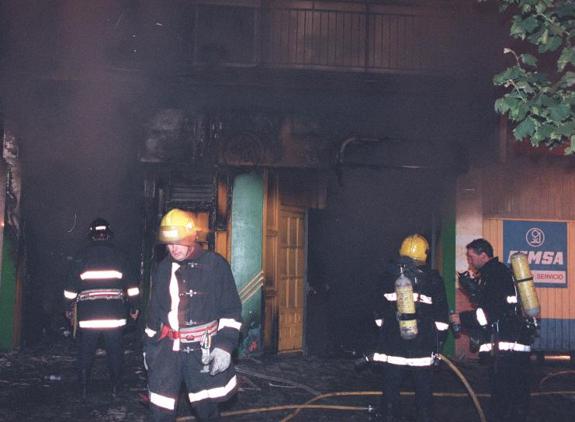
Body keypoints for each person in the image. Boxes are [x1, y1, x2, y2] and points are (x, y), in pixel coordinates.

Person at [143, 208, 242, 422]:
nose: (174, 248)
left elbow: (231, 310)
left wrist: (224, 347)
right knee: (159, 411)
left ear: (191, 238)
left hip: (202, 352)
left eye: (179, 242)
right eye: (169, 243)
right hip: (167, 352)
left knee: (207, 410)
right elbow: (154, 312)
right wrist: (149, 349)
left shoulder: (215, 266)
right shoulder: (162, 268)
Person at [452, 238, 533, 422]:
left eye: (471, 257)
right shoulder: (496, 274)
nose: (469, 261)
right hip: (511, 347)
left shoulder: (494, 275)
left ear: (484, 255)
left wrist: (462, 318)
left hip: (506, 350)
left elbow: (490, 314)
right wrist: (476, 292)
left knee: (503, 401)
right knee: (514, 398)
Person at [373, 234, 449, 422]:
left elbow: (378, 314)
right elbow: (441, 319)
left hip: (393, 346)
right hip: (422, 347)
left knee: (390, 390)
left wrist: (387, 335)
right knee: (424, 394)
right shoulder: (433, 280)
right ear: (425, 254)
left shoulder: (388, 277)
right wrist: (437, 344)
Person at [64, 218, 140, 398]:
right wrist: (134, 306)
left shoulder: (81, 256)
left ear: (92, 235)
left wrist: (68, 308)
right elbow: (132, 286)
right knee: (115, 351)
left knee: (85, 351)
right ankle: (115, 388)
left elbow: (70, 288)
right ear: (108, 234)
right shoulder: (120, 255)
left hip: (88, 316)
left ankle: (83, 389)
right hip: (114, 316)